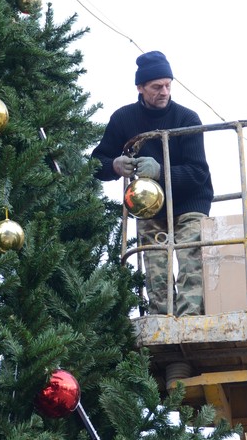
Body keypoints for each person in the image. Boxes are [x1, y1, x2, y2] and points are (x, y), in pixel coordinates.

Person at [91, 51, 214, 316]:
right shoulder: (124, 119)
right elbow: (96, 162)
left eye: (168, 85)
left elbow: (198, 174)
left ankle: (190, 322)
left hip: (189, 203)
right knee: (156, 272)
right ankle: (164, 321)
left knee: (191, 260)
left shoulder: (187, 119)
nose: (164, 91)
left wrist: (161, 171)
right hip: (149, 207)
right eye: (157, 86)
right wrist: (114, 164)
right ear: (140, 87)